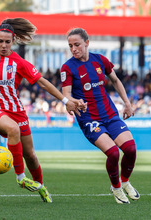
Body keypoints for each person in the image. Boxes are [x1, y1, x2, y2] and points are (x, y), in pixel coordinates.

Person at [0, 18, 86, 203]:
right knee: (13, 129)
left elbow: (42, 82)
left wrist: (65, 100)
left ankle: (41, 186)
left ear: (13, 42)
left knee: (31, 156)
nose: (3, 45)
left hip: (17, 111)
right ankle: (20, 178)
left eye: (7, 42)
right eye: (0, 41)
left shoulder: (19, 62)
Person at [60, 28, 140, 204]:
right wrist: (73, 102)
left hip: (110, 114)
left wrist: (127, 103)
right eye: (70, 46)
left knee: (131, 149)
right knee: (113, 153)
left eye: (77, 45)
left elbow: (116, 80)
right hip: (89, 119)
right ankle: (117, 187)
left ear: (87, 43)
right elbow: (67, 94)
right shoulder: (68, 67)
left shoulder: (100, 60)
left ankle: (125, 182)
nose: (73, 49)